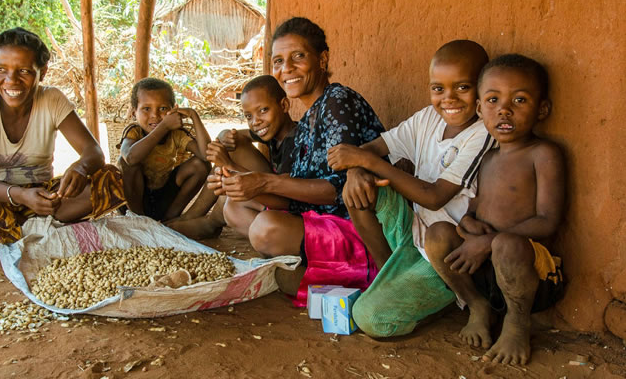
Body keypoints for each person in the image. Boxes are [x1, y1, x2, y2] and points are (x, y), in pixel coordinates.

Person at [210, 17, 387, 305]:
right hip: (326, 222)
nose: (286, 69)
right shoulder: (305, 123)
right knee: (242, 210)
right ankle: (306, 275)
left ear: (322, 59)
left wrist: (264, 181)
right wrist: (241, 184)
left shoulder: (337, 100)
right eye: (278, 61)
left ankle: (355, 274)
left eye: (298, 57)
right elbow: (299, 200)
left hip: (363, 231)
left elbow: (338, 190)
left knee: (266, 228)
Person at [327, 40, 493, 337]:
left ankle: (449, 297)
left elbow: (434, 197)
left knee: (370, 318)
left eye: (463, 87)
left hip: (445, 254)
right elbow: (377, 147)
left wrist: (366, 160)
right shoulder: (428, 117)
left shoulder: (482, 133)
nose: (449, 98)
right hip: (412, 231)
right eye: (438, 88)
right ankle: (387, 271)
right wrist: (355, 170)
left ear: (483, 88)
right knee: (358, 190)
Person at [0, 27, 125, 257]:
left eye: (24, 71)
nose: (11, 80)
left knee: (112, 178)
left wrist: (81, 167)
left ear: (42, 72)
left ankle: (1, 233)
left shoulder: (51, 99)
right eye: (1, 70)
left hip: (45, 201)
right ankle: (25, 227)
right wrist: (19, 196)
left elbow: (93, 151)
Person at [424, 54, 565, 365]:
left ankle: (517, 323)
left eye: (519, 100)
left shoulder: (543, 154)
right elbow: (473, 210)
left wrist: (488, 241)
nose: (504, 109)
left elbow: (548, 220)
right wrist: (467, 229)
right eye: (492, 99)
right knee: (438, 234)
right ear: (479, 109)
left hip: (529, 273)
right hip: (484, 269)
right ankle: (477, 305)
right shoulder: (486, 158)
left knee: (506, 244)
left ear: (542, 109)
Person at [168, 75, 295, 239]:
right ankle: (192, 216)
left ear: (284, 105)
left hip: (285, 205)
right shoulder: (273, 130)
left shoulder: (296, 143)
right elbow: (233, 137)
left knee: (230, 196)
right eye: (249, 116)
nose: (256, 121)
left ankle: (210, 223)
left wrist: (228, 164)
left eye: (263, 110)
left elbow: (288, 199)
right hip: (272, 187)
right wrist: (224, 135)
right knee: (233, 146)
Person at [118, 78, 210, 221]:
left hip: (164, 197)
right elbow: (130, 158)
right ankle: (139, 220)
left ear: (173, 110)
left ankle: (170, 219)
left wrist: (194, 116)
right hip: (134, 201)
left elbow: (205, 155)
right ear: (134, 112)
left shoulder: (177, 134)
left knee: (201, 165)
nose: (155, 115)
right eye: (146, 109)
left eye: (163, 108)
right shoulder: (134, 131)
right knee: (126, 164)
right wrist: (164, 126)